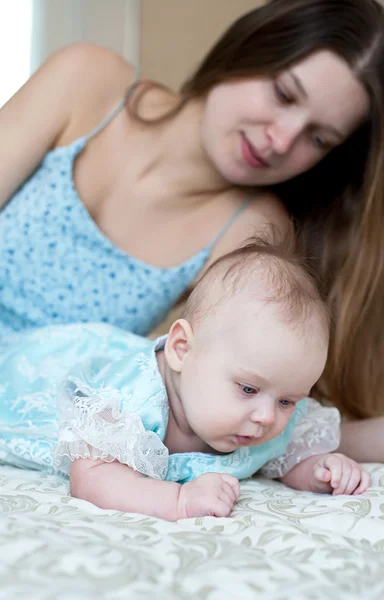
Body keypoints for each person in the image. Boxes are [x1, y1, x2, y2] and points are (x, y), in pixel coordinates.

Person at [0, 1, 383, 458]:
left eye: (318, 139)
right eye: (283, 93)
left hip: (32, 407)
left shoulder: (252, 227)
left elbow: (195, 393)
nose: (280, 140)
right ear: (250, 48)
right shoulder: (89, 80)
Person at [0, 243, 370, 521]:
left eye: (288, 401)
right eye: (247, 389)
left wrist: (319, 471)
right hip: (47, 366)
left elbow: (285, 455)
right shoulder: (128, 400)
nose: (266, 417)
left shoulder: (264, 405)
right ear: (182, 349)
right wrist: (179, 501)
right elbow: (91, 478)